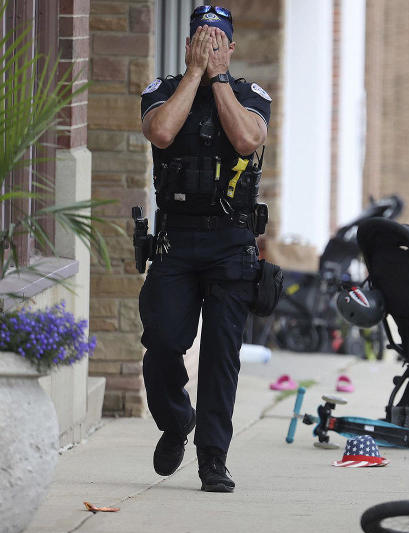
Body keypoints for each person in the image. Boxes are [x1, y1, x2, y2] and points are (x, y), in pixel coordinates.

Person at [138, 5, 271, 493]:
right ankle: (176, 423)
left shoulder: (249, 96)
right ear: (189, 44)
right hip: (176, 241)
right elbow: (162, 132)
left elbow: (245, 139)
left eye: (218, 41)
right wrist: (195, 74)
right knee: (162, 344)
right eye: (202, 39)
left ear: (232, 47)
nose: (210, 46)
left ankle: (213, 457)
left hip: (231, 243)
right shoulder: (161, 90)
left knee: (221, 356)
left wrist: (216, 79)